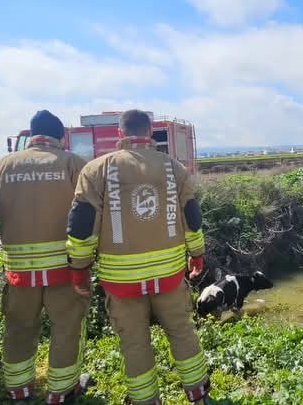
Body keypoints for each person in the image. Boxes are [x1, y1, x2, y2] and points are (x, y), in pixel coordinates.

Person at [66, 109, 210, 405]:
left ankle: (145, 400)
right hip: (169, 277)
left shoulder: (97, 170)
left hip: (121, 281)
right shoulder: (174, 169)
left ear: (120, 133)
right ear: (150, 132)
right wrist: (197, 254)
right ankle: (197, 393)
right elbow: (191, 219)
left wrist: (79, 269)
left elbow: (82, 227)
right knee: (182, 332)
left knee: (134, 342)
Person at [0, 110, 90, 403]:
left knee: (18, 327)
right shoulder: (73, 164)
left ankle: (19, 389)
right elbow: (91, 211)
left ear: (29, 134)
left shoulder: (1, 165)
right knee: (66, 328)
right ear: (61, 136)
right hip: (64, 269)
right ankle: (62, 390)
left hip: (18, 271)